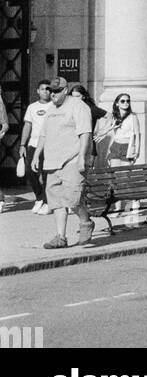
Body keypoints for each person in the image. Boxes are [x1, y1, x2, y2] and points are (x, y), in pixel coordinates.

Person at [31, 77, 94, 249]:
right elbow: (43, 135)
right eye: (51, 91)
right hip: (52, 162)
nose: (53, 94)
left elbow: (85, 133)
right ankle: (61, 237)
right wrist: (36, 156)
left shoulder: (78, 106)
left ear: (65, 90)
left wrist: (82, 156)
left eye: (57, 91)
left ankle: (85, 222)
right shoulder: (50, 109)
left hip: (72, 160)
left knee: (73, 200)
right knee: (56, 202)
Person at [19, 80, 52, 212]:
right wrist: (22, 144)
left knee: (45, 174)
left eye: (48, 89)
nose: (45, 91)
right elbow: (28, 126)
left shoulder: (54, 106)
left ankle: (47, 202)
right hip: (33, 144)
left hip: (48, 145)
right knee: (30, 172)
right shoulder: (32, 107)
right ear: (38, 91)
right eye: (43, 89)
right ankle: (39, 198)